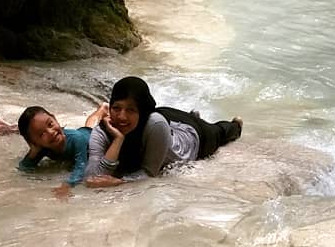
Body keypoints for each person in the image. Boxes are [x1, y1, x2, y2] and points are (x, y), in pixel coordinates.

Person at [85, 76, 242, 187]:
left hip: (191, 138)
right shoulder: (103, 130)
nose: (121, 117)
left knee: (219, 133)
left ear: (142, 110)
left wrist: (120, 182)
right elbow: (92, 178)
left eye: (131, 110)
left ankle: (235, 125)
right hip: (165, 120)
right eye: (116, 108)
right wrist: (118, 139)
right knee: (168, 123)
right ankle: (192, 116)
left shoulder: (154, 124)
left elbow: (149, 173)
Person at [16, 102, 107, 198]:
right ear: (34, 142)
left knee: (91, 128)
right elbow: (24, 168)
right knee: (89, 126)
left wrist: (67, 185)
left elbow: (81, 167)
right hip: (83, 132)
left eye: (50, 124)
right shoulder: (43, 148)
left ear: (55, 119)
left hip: (91, 137)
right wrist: (33, 151)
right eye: (42, 134)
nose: (50, 132)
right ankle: (102, 109)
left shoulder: (77, 140)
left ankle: (102, 110)